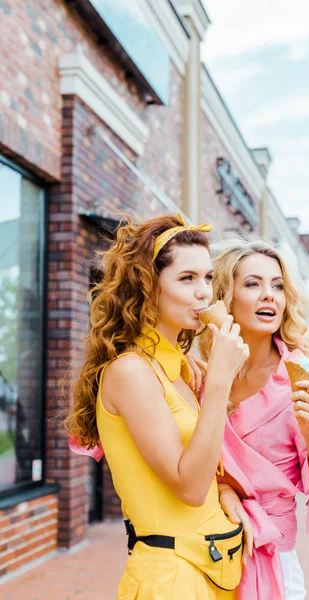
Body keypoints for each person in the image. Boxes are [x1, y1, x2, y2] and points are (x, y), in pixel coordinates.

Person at [65, 213, 252, 599]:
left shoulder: (181, 369)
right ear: (148, 286)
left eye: (207, 278)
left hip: (213, 569)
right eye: (187, 278)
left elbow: (203, 463)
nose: (204, 292)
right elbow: (188, 487)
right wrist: (219, 382)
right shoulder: (132, 371)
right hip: (171, 579)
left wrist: (226, 493)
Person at [198, 239, 309, 600]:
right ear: (226, 296)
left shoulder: (302, 376)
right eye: (253, 284)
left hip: (272, 559)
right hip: (206, 548)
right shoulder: (206, 374)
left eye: (278, 286)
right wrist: (223, 490)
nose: (269, 295)